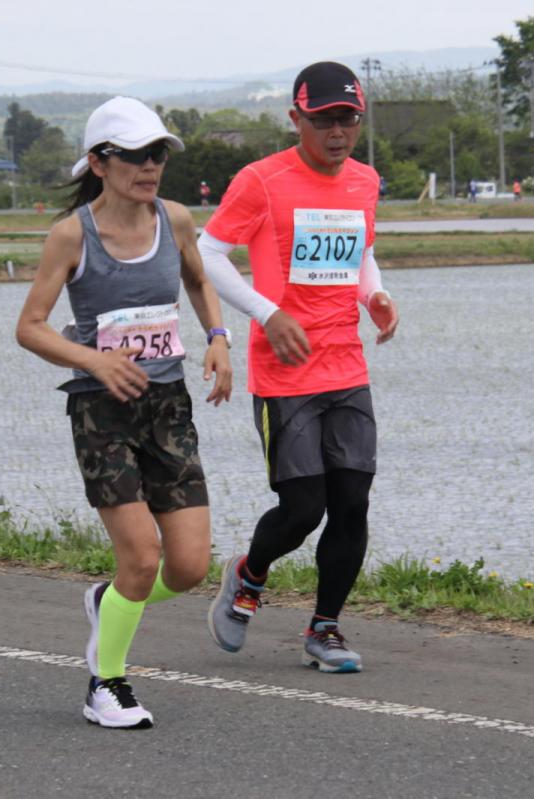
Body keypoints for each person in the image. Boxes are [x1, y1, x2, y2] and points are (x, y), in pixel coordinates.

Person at [15, 96, 233, 729]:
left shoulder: (177, 220)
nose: (150, 166)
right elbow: (30, 328)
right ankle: (106, 684)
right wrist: (92, 360)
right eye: (135, 155)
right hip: (102, 409)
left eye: (158, 153)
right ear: (100, 162)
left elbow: (197, 280)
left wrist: (218, 338)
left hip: (168, 405)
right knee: (141, 557)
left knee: (189, 567)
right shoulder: (71, 235)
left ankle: (110, 602)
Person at [198, 61, 399, 673]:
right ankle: (247, 577)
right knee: (302, 509)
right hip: (285, 372)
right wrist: (267, 313)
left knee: (353, 503)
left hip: (346, 366)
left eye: (348, 120)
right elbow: (208, 253)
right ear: (297, 119)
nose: (338, 132)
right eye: (324, 120)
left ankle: (325, 630)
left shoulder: (365, 183)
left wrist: (376, 297)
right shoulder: (261, 181)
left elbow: (361, 253)